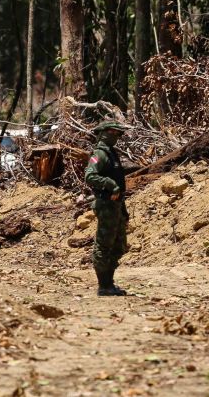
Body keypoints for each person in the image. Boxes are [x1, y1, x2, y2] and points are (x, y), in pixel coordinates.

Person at [84, 121, 130, 296]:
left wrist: (123, 211)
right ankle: (104, 285)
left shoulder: (111, 154)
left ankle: (109, 283)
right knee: (104, 245)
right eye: (112, 132)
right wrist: (110, 184)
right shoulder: (99, 154)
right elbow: (90, 176)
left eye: (118, 133)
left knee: (119, 244)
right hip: (106, 205)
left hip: (116, 206)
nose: (116, 136)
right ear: (103, 133)